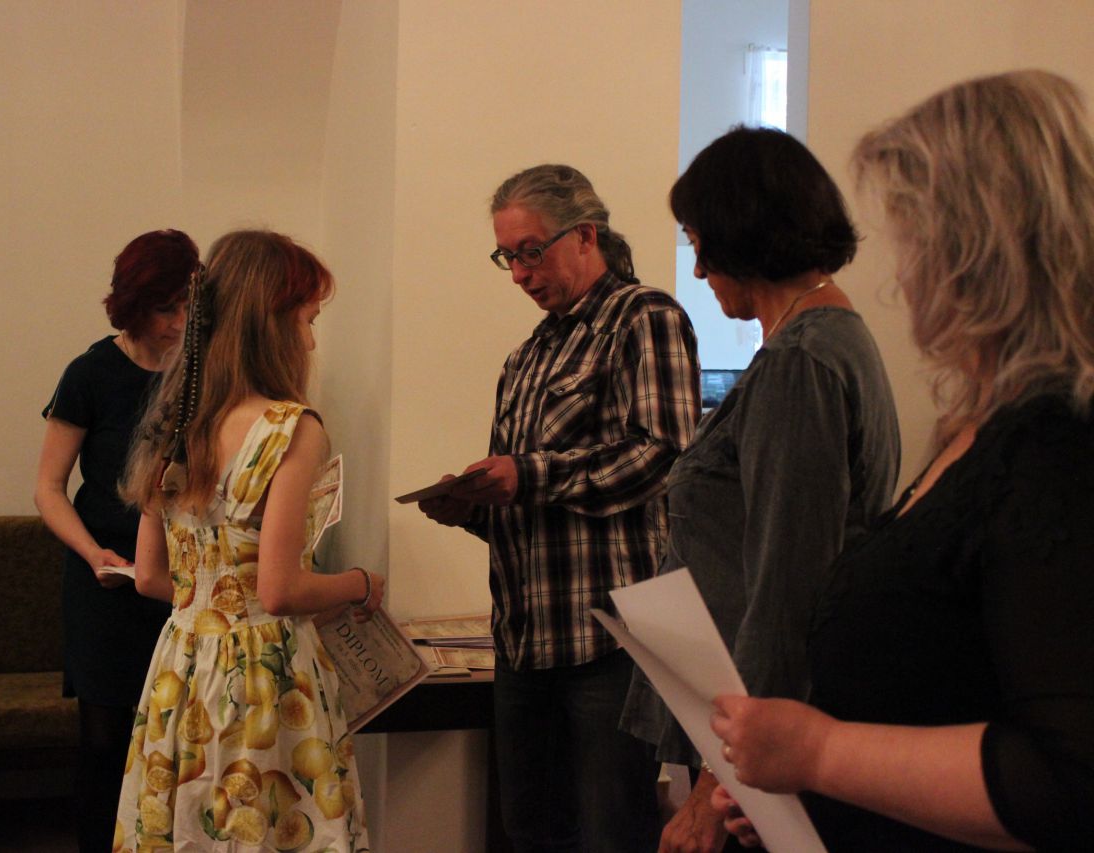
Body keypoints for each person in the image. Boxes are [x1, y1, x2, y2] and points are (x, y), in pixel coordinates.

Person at [708, 69, 1094, 853]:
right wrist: (813, 786)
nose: (902, 272)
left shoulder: (1053, 446)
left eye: (910, 236)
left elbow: (1069, 778)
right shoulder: (983, 429)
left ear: (974, 249)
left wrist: (820, 752)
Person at [618, 127, 901, 853]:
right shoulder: (819, 344)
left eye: (699, 242)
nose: (699, 267)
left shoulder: (802, 363)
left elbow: (787, 590)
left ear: (742, 234)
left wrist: (718, 791)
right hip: (750, 731)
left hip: (760, 748)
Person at [418, 164, 701, 852]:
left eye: (530, 251)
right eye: (507, 257)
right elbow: (525, 502)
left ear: (585, 235)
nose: (519, 274)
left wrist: (529, 475)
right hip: (522, 642)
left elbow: (663, 454)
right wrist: (470, 506)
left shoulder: (645, 318)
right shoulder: (526, 358)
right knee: (531, 834)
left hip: (607, 643)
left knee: (611, 835)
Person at [115, 230, 382, 852]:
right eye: (308, 320)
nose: (310, 341)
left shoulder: (174, 421)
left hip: (180, 668)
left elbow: (151, 577)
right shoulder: (290, 429)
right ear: (272, 321)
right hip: (262, 677)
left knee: (188, 828)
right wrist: (360, 584)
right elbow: (280, 590)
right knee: (267, 829)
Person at [34, 228, 199, 852]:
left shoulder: (201, 372)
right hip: (103, 577)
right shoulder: (90, 373)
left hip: (176, 577)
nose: (177, 323)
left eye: (186, 308)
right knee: (104, 740)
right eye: (164, 309)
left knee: (178, 735)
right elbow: (49, 488)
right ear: (132, 306)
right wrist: (90, 552)